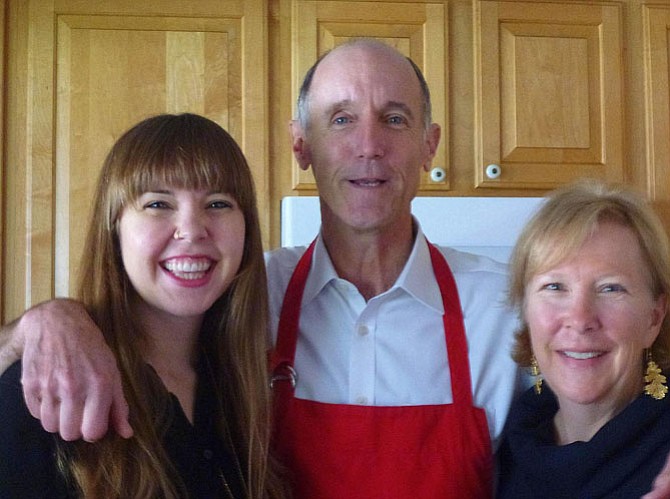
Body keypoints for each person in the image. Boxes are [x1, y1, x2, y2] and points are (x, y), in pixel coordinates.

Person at [3, 39, 670, 499]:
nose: (370, 145)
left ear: (429, 144)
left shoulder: (502, 306)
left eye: (396, 118)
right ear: (302, 145)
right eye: (341, 118)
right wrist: (48, 318)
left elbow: (600, 402)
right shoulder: (241, 295)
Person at [0, 113, 286, 498]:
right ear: (114, 226)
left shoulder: (242, 385)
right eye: (157, 204)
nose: (191, 228)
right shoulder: (50, 382)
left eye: (218, 203)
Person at [496, 180, 670, 498]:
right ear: (525, 308)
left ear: (654, 317)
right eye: (555, 287)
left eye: (610, 288)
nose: (579, 319)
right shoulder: (506, 444)